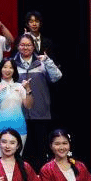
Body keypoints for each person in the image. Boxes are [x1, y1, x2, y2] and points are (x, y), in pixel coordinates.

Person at [13, 34, 62, 168]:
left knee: (40, 151)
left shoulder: (42, 63)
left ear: (34, 46)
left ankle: (41, 177)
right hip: (19, 113)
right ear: (18, 47)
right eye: (22, 45)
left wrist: (48, 61)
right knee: (21, 150)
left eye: (28, 45)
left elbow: (57, 77)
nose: (25, 47)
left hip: (40, 112)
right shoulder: (12, 64)